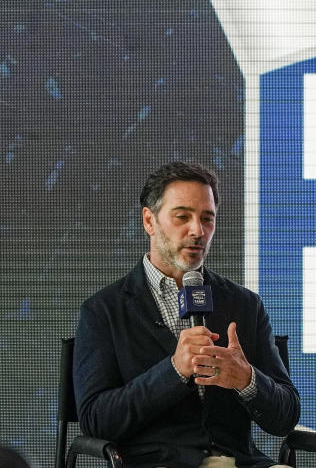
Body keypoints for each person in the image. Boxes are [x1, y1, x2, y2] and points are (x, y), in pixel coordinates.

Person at [73, 162, 300, 468]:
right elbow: (96, 420)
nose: (197, 230)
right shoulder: (104, 311)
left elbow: (285, 417)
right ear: (149, 221)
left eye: (208, 219)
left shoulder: (244, 305)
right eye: (182, 217)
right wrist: (174, 370)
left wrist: (247, 379)